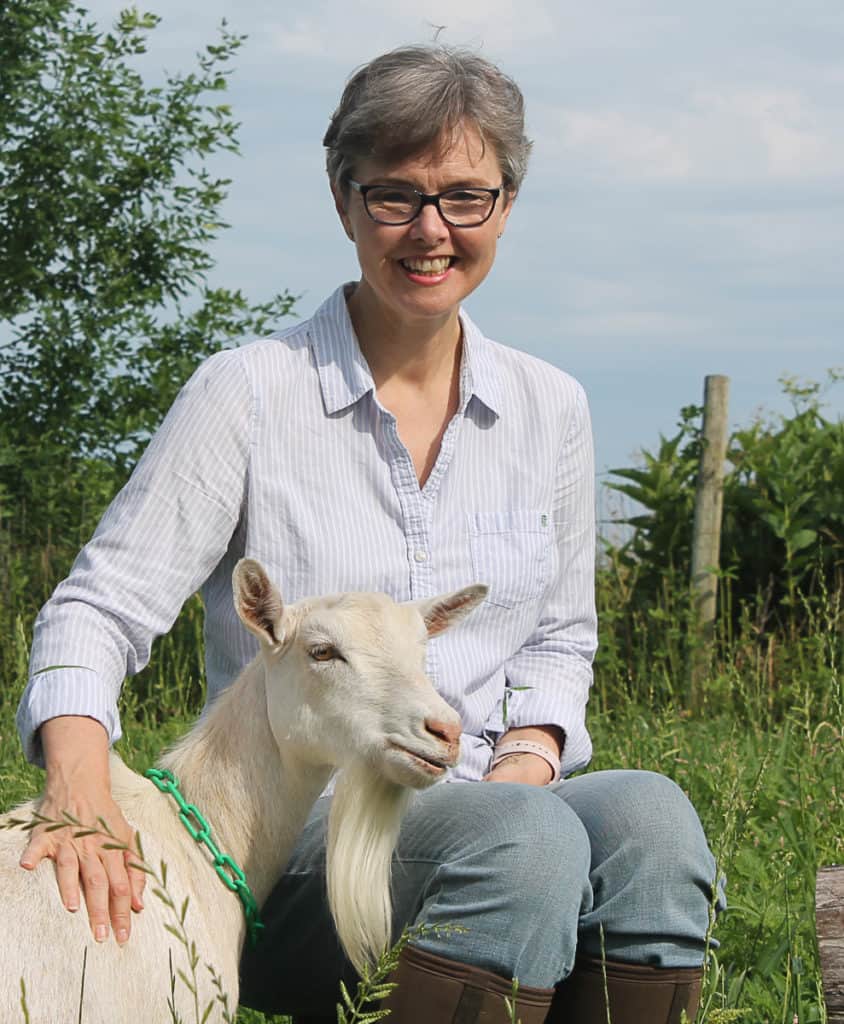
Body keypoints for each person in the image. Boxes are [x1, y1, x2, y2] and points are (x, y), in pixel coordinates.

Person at [16, 44, 720, 1024]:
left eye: (465, 197)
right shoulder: (250, 392)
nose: (431, 230)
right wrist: (79, 777)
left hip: (491, 814)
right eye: (396, 195)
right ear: (345, 203)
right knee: (520, 840)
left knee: (649, 816)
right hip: (295, 839)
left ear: (505, 206)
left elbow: (561, 642)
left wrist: (520, 766)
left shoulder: (548, 407)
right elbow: (100, 604)